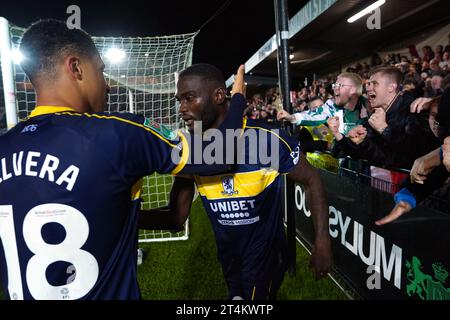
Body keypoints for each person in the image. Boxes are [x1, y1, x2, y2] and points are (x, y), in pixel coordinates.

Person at [0, 20, 247, 300]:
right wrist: (237, 98)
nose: (108, 86)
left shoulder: (4, 147)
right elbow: (221, 153)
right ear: (76, 68)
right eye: (101, 71)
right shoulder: (118, 134)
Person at [141, 63, 332, 300]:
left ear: (219, 96)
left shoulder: (267, 139)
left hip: (266, 258)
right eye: (179, 100)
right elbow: (177, 217)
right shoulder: (191, 149)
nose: (182, 108)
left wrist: (322, 239)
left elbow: (312, 179)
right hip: (230, 258)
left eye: (189, 98)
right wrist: (128, 216)